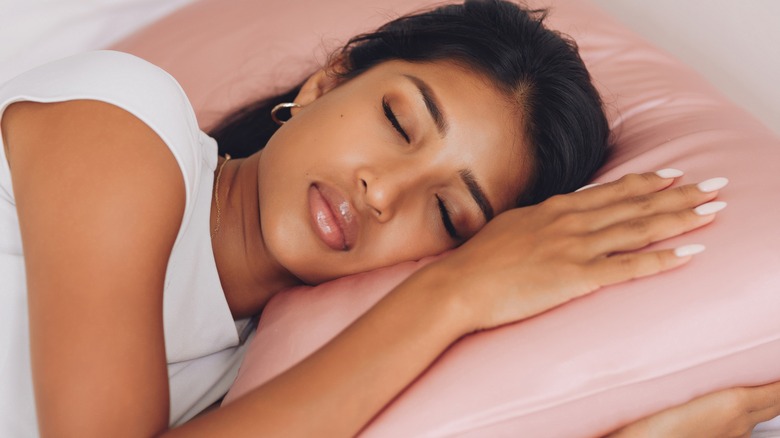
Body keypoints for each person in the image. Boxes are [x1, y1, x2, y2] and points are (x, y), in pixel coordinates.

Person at [0, 0, 777, 436]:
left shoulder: (264, 375)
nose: (383, 192)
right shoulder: (127, 122)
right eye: (400, 122)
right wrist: (453, 296)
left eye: (447, 212)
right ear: (325, 83)